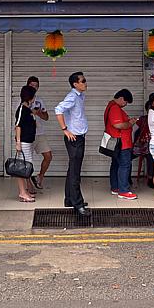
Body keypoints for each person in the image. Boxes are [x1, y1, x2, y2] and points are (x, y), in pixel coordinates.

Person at [55, 71, 91, 216]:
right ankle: (78, 204)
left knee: (72, 169)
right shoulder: (72, 97)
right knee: (75, 172)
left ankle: (69, 199)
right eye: (83, 81)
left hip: (79, 136)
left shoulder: (80, 96)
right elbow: (58, 110)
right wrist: (65, 130)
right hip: (74, 138)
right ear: (75, 84)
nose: (85, 83)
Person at [105, 88, 136, 199]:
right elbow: (118, 125)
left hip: (117, 141)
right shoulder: (115, 108)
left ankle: (115, 187)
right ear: (121, 98)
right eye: (126, 102)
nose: (125, 104)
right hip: (122, 142)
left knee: (116, 164)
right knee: (125, 165)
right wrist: (130, 123)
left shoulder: (111, 106)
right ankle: (123, 190)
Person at [12, 85, 40, 203]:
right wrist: (18, 143)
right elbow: (18, 126)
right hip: (23, 142)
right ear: (30, 97)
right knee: (22, 168)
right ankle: (22, 193)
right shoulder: (22, 109)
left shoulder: (28, 110)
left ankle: (26, 190)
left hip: (28, 141)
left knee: (26, 167)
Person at [25, 76, 53, 189]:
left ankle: (40, 176)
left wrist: (39, 113)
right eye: (32, 85)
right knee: (27, 160)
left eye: (36, 86)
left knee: (48, 156)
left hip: (39, 133)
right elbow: (19, 119)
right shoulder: (22, 101)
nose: (34, 88)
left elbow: (46, 117)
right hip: (27, 135)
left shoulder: (39, 101)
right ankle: (28, 185)